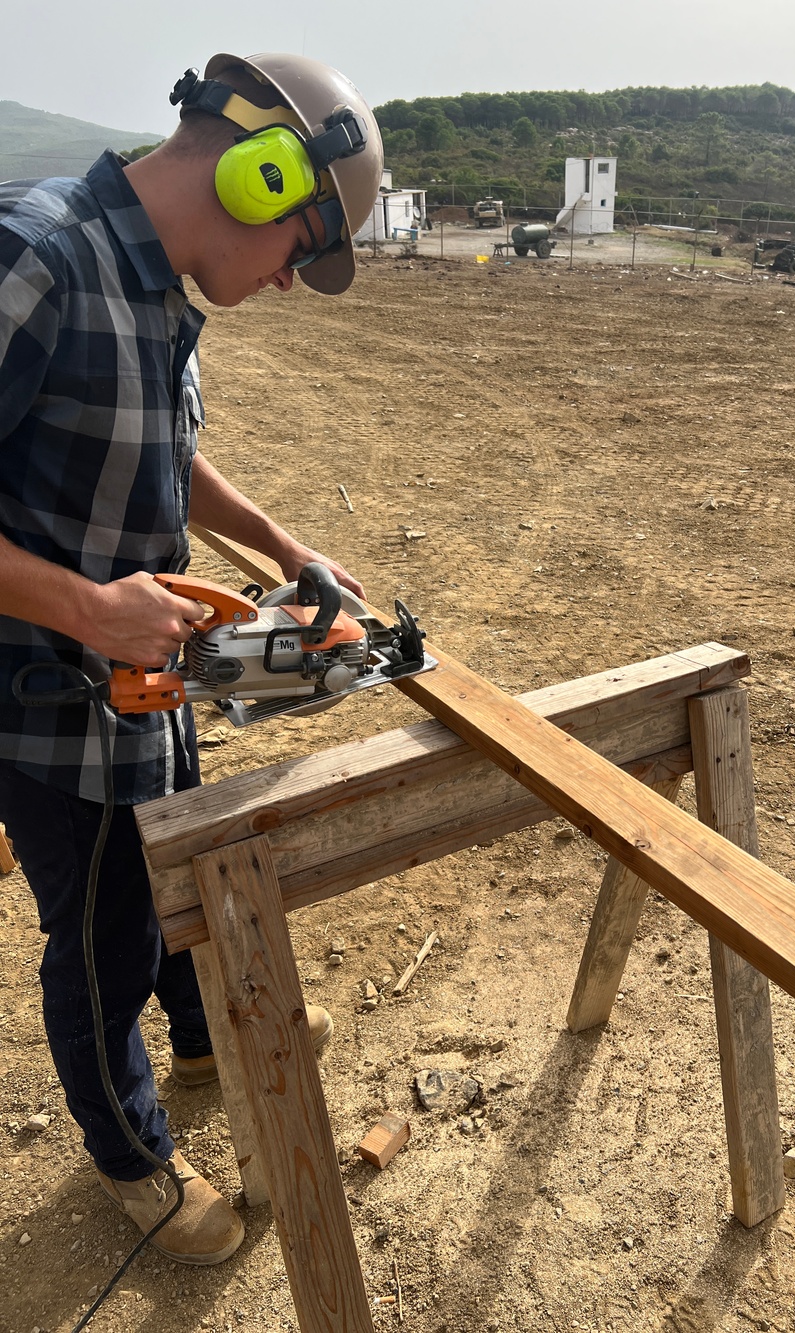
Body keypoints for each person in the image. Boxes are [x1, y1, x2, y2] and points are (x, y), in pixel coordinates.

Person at [0, 52, 383, 1265]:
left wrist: (278, 540)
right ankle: (133, 1160)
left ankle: (212, 1040)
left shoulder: (161, 290)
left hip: (148, 688)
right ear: (267, 176)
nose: (283, 280)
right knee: (107, 934)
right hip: (45, 706)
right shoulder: (38, 254)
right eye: (297, 248)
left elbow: (162, 452)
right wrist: (83, 608)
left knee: (175, 877)